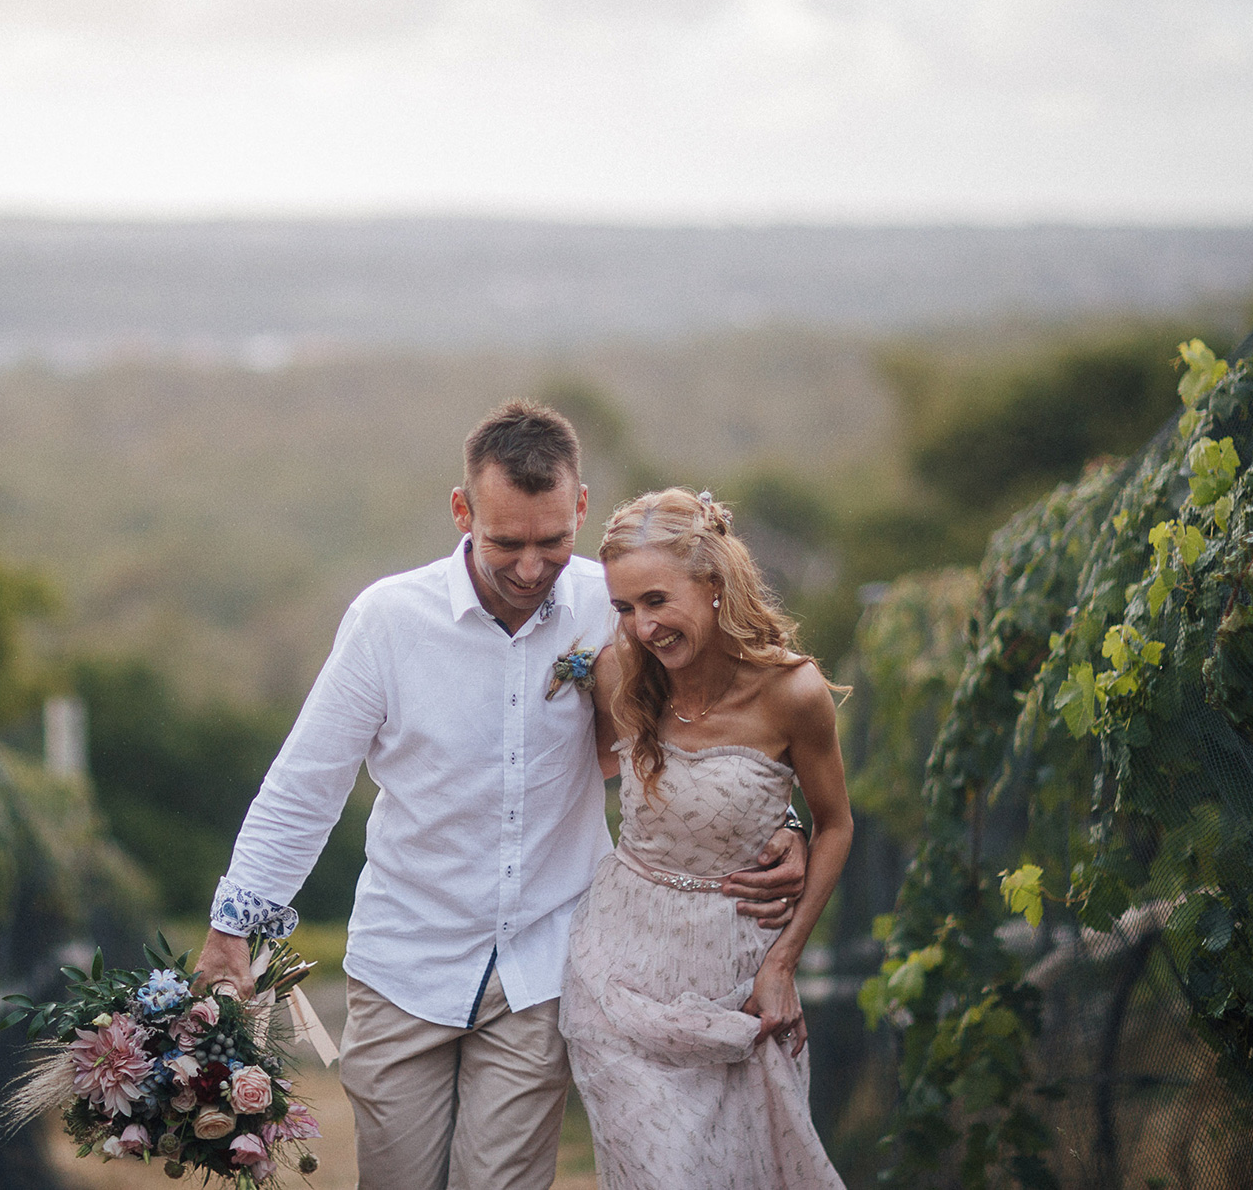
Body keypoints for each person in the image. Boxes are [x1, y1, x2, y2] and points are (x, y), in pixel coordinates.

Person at [194, 401, 808, 1189]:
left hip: (545, 966)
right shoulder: (387, 621)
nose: (528, 567)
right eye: (506, 543)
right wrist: (231, 929)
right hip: (405, 961)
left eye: (552, 542)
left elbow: (710, 723)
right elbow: (305, 786)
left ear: (581, 508)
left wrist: (779, 816)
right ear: (463, 511)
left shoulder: (615, 607)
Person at [560, 487, 851, 1189]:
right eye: (624, 608)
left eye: (657, 600)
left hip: (738, 983)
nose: (641, 628)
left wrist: (783, 958)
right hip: (618, 981)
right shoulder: (615, 676)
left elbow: (835, 822)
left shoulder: (794, 692)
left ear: (714, 583)